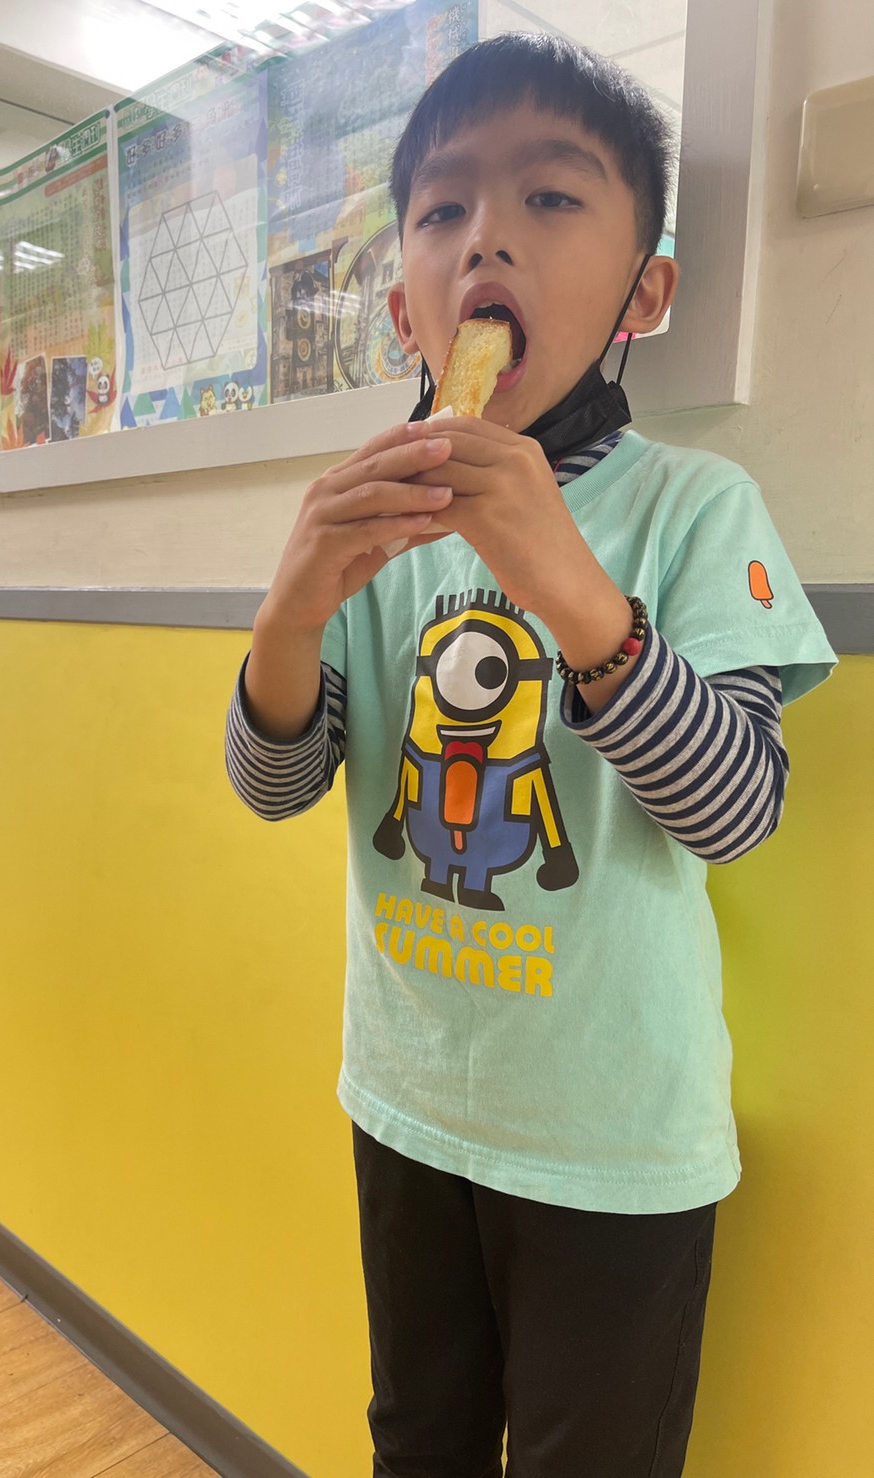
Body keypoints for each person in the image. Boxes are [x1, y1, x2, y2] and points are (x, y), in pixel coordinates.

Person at [226, 32, 835, 1478]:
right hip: (406, 1100)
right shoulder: (377, 530)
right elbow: (277, 786)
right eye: (443, 208)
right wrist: (290, 613)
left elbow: (737, 809)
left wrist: (568, 585)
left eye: (550, 198)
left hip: (615, 1143)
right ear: (405, 305)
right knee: (416, 1438)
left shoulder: (695, 508)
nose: (485, 236)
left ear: (647, 294)